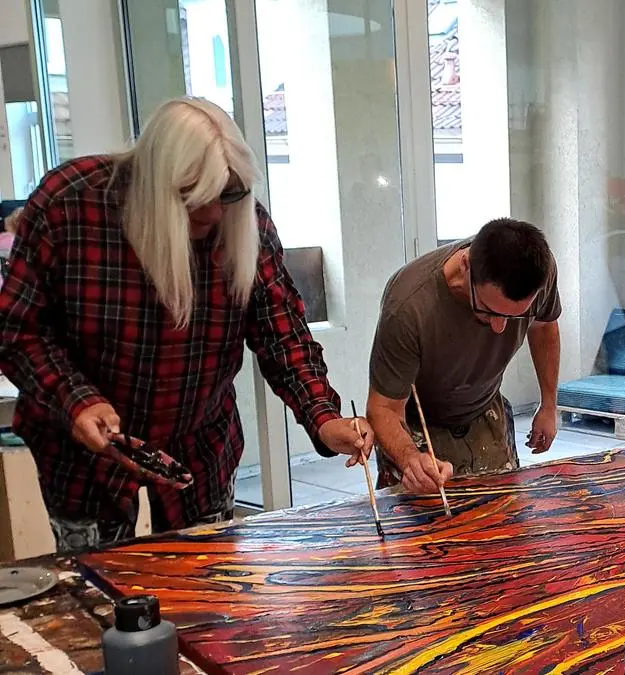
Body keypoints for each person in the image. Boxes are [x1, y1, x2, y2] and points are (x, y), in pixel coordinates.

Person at [0, 97, 375, 553]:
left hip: (200, 448)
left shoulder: (245, 222)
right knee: (100, 585)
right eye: (198, 202)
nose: (215, 215)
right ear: (156, 186)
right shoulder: (70, 203)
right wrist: (75, 401)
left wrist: (324, 418)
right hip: (83, 455)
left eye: (227, 197)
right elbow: (18, 329)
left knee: (207, 584)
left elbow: (283, 336)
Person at [367, 218, 561, 494]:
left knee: (499, 509)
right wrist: (410, 459)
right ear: (465, 265)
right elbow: (383, 409)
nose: (499, 328)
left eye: (516, 315)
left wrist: (549, 405)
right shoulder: (408, 306)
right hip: (418, 423)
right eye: (488, 311)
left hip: (484, 408)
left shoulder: (538, 271)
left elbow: (544, 326)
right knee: (421, 515)